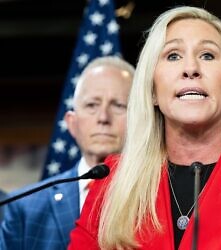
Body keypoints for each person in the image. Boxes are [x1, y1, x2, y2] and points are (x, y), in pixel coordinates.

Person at [69, 6, 221, 250]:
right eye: (173, 56)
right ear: (153, 90)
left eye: (208, 55)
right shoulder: (111, 180)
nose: (190, 69)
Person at [0, 56, 135, 250]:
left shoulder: (161, 198)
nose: (103, 117)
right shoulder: (25, 209)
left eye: (119, 105)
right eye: (92, 105)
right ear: (72, 123)